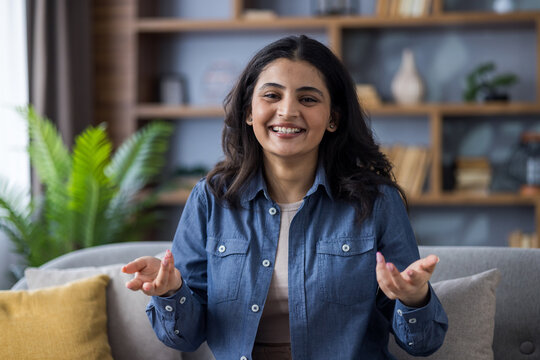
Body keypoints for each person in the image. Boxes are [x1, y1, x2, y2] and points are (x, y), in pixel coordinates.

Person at [122, 35, 448, 360]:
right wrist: (170, 291)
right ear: (249, 111)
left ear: (333, 118)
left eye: (308, 99)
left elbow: (422, 343)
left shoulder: (376, 201)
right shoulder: (212, 199)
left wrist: (414, 299)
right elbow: (185, 338)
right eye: (272, 95)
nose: (288, 111)